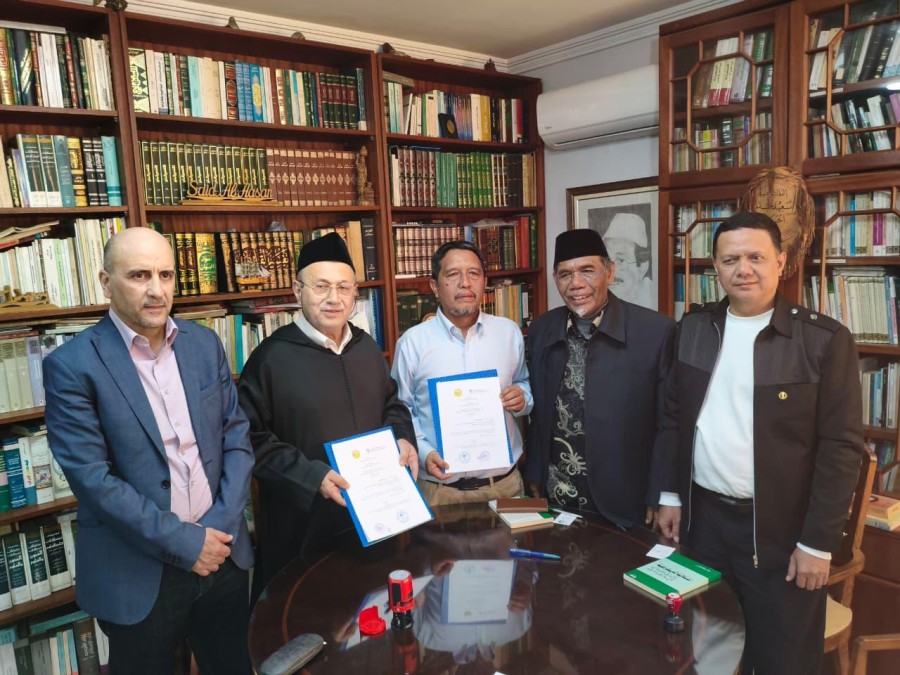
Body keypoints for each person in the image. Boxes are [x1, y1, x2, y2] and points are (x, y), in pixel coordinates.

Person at [656, 211, 865, 674]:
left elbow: (841, 448)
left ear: (781, 262)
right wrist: (670, 495)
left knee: (782, 659)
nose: (743, 269)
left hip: (783, 534)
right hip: (704, 523)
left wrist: (817, 544)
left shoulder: (822, 340)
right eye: (731, 259)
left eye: (756, 257)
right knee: (708, 651)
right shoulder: (693, 329)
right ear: (716, 266)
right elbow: (673, 419)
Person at [43, 227, 254, 674]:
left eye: (166, 275)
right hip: (138, 573)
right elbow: (93, 480)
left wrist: (217, 527)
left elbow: (236, 436)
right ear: (106, 282)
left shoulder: (203, 344)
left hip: (223, 554)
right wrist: (187, 541)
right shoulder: (72, 366)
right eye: (139, 275)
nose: (157, 290)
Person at [238, 232, 418, 593]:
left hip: (375, 518)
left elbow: (392, 404)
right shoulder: (269, 359)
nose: (334, 298)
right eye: (321, 286)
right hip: (304, 524)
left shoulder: (367, 348)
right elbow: (249, 439)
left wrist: (403, 438)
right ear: (297, 291)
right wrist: (312, 477)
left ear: (355, 293)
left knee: (374, 608)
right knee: (308, 613)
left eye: (344, 288)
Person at [524, 228, 675, 527]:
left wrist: (661, 493)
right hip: (557, 493)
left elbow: (669, 423)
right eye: (565, 274)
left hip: (626, 499)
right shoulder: (541, 330)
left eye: (587, 270)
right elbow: (539, 413)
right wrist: (535, 472)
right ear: (555, 279)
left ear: (610, 271)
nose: (576, 284)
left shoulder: (656, 332)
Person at [392, 241, 532, 506]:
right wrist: (424, 453)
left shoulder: (509, 332)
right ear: (435, 286)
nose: (465, 283)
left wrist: (522, 397)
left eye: (473, 273)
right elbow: (400, 409)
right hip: (439, 491)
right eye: (453, 274)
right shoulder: (412, 343)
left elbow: (524, 383)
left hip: (504, 486)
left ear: (484, 282)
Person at [601, 212, 655, 309]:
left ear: (643, 267)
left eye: (621, 260)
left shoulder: (654, 300)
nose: (610, 270)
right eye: (607, 261)